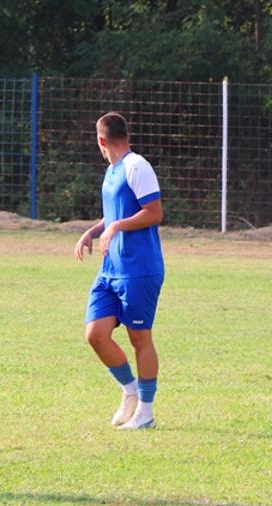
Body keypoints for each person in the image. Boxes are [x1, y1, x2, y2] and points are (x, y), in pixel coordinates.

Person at [74, 112, 164, 430]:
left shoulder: (137, 166)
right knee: (95, 334)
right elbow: (113, 215)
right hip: (110, 269)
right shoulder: (111, 171)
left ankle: (147, 412)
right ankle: (130, 392)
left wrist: (116, 227)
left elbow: (154, 213)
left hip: (139, 269)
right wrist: (93, 231)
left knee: (140, 339)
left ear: (101, 140)